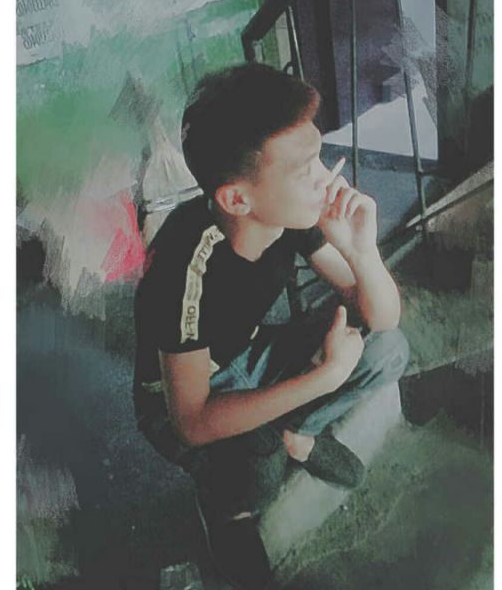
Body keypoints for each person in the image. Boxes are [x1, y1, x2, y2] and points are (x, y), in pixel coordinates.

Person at [133, 63, 409, 589]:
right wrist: (324, 378)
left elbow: (383, 318)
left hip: (248, 352)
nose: (325, 178)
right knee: (257, 466)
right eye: (304, 169)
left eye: (319, 156)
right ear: (238, 199)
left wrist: (361, 251)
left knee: (388, 349)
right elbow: (191, 420)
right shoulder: (182, 267)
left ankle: (295, 434)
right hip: (180, 400)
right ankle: (225, 507)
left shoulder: (288, 215)